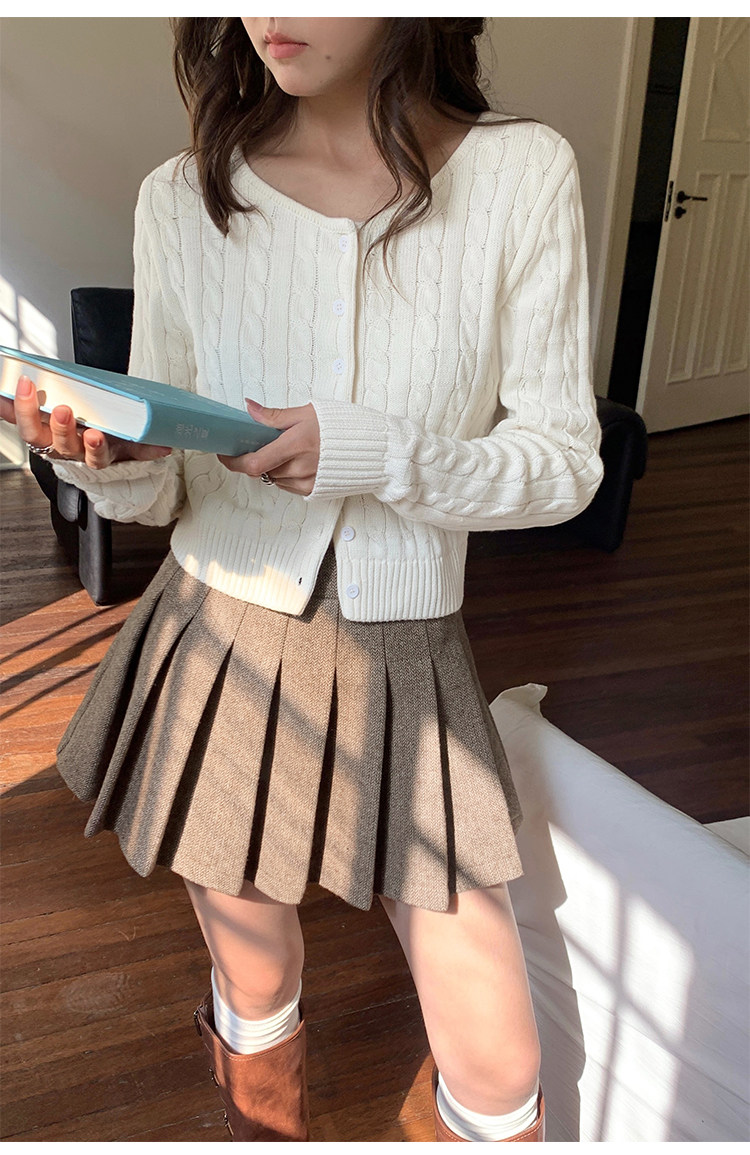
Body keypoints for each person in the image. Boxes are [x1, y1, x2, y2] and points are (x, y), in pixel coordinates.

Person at [1, 17, 603, 1143]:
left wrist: (373, 452)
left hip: (409, 653)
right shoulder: (183, 194)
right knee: (257, 977)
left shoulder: (522, 172)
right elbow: (166, 480)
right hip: (218, 638)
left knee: (498, 1058)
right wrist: (102, 457)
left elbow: (565, 465)